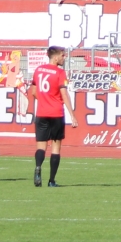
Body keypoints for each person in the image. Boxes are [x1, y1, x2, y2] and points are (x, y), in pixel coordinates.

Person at [33, 46, 75, 187]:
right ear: (56, 57)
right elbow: (64, 94)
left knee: (41, 146)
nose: (64, 58)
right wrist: (72, 115)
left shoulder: (38, 70)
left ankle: (38, 167)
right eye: (63, 55)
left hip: (41, 113)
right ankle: (51, 181)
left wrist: (44, 100)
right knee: (56, 147)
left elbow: (33, 92)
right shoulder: (60, 72)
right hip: (56, 113)